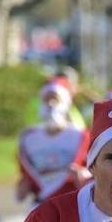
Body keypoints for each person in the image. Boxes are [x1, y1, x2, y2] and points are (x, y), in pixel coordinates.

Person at [16, 75, 90, 206]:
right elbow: (27, 174)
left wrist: (85, 176)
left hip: (70, 204)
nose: (51, 104)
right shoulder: (29, 138)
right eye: (47, 99)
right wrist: (24, 185)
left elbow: (92, 170)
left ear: (65, 103)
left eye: (55, 99)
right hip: (40, 205)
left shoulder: (80, 137)